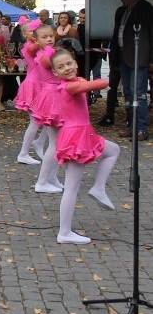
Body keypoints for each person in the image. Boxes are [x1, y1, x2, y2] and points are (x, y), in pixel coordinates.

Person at [49, 48, 119, 244]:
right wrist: (104, 82)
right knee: (72, 186)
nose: (67, 68)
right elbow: (99, 83)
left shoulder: (74, 82)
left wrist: (82, 81)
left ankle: (98, 188)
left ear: (76, 63)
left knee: (113, 150)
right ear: (55, 73)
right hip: (75, 137)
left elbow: (82, 83)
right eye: (61, 67)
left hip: (84, 133)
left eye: (69, 63)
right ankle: (64, 232)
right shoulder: (68, 87)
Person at [112, 0, 153, 141]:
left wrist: (151, 60)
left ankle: (141, 128)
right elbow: (116, 34)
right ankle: (131, 125)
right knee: (128, 93)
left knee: (139, 94)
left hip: (139, 56)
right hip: (123, 55)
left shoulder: (146, 8)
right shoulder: (121, 11)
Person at [30, 26, 65, 193]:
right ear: (37, 40)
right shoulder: (45, 55)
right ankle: (42, 181)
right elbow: (48, 63)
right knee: (55, 142)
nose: (50, 39)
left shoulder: (50, 52)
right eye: (45, 37)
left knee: (58, 142)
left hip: (55, 94)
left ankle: (51, 176)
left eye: (51, 35)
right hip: (52, 96)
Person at [14, 19, 47, 165]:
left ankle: (39, 142)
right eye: (31, 31)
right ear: (24, 34)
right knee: (35, 121)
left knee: (50, 119)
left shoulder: (38, 46)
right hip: (33, 85)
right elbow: (34, 49)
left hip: (42, 84)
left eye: (37, 30)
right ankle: (23, 152)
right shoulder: (29, 47)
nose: (35, 33)